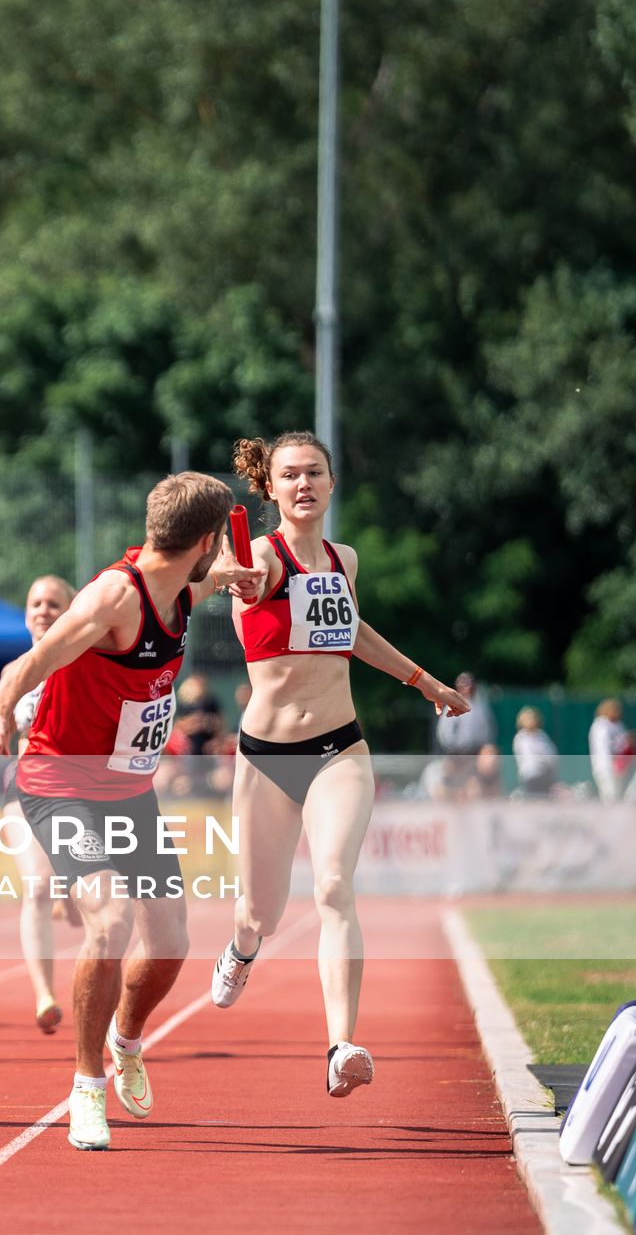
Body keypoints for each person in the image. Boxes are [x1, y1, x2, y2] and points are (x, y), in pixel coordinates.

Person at [0, 472, 262, 1151]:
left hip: (128, 789)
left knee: (171, 946)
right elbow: (35, 659)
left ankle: (127, 1040)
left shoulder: (188, 584)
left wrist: (239, 574)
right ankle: (85, 1084)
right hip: (58, 780)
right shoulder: (115, 597)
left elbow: (221, 575)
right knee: (108, 919)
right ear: (201, 538)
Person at [206, 432, 469, 1103]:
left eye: (314, 473)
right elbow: (235, 583)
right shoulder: (257, 561)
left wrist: (425, 681)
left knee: (332, 888)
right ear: (270, 488)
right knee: (259, 912)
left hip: (339, 750)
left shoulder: (344, 561)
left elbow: (351, 630)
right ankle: (240, 951)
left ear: (330, 482)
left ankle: (340, 1046)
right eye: (289, 475)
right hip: (267, 758)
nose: (303, 484)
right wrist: (224, 578)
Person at [0, 574, 79, 1034]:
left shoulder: (88, 662)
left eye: (54, 603)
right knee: (37, 888)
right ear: (26, 615)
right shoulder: (15, 674)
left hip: (84, 791)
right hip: (26, 786)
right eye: (36, 603)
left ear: (73, 611)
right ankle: (45, 994)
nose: (43, 610)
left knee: (90, 903)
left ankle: (72, 893)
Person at [513, 707, 560, 797]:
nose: (531, 721)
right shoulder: (521, 738)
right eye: (527, 719)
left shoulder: (542, 736)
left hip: (546, 775)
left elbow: (551, 754)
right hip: (530, 776)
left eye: (532, 718)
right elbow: (531, 758)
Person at [590, 698, 630, 802]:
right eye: (615, 710)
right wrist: (614, 764)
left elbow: (624, 744)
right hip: (606, 766)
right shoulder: (600, 725)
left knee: (619, 796)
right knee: (610, 796)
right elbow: (604, 748)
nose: (618, 713)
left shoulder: (619, 725)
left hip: (620, 766)